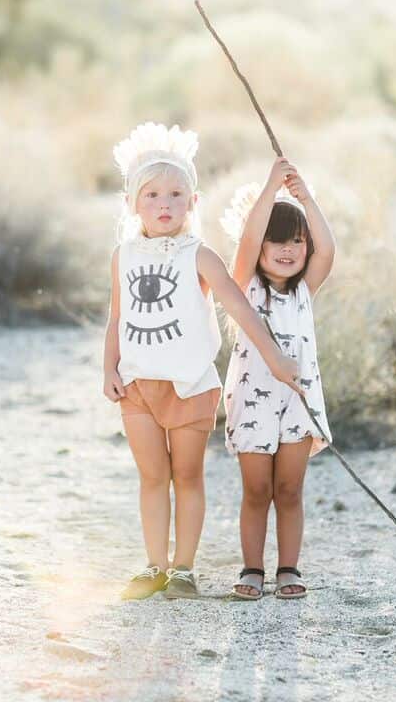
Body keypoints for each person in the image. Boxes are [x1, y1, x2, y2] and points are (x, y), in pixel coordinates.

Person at [103, 123, 298, 601]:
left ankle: (183, 568)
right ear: (131, 203)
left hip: (190, 386)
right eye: (151, 195)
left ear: (193, 202)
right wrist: (109, 368)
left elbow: (239, 307)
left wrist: (275, 358)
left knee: (186, 477)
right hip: (137, 386)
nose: (164, 204)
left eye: (176, 195)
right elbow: (117, 316)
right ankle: (154, 564)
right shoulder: (123, 255)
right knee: (152, 477)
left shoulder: (199, 255)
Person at [221, 157, 335, 600]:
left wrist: (306, 198)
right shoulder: (245, 286)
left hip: (298, 405)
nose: (287, 249)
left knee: (289, 490)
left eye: (296, 241)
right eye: (277, 240)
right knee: (257, 490)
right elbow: (248, 240)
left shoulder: (305, 290)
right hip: (253, 398)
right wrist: (271, 187)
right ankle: (253, 568)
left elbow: (328, 251)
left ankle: (288, 568)